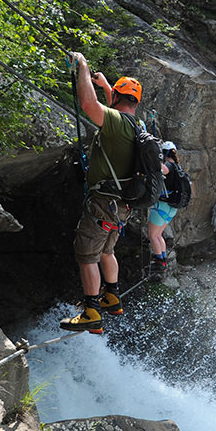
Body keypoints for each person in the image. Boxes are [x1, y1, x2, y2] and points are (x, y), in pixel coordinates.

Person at [60, 53, 142, 334]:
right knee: (107, 250)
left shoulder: (116, 122)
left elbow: (87, 105)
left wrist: (83, 66)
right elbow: (113, 110)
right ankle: (113, 296)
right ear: (136, 103)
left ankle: (92, 311)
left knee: (87, 255)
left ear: (118, 97)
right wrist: (106, 85)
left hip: (103, 205)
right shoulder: (135, 126)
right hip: (122, 207)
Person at [148, 141, 181, 274]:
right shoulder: (179, 167)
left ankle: (159, 263)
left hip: (162, 205)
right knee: (158, 234)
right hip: (172, 207)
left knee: (152, 235)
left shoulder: (169, 165)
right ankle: (163, 260)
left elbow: (160, 169)